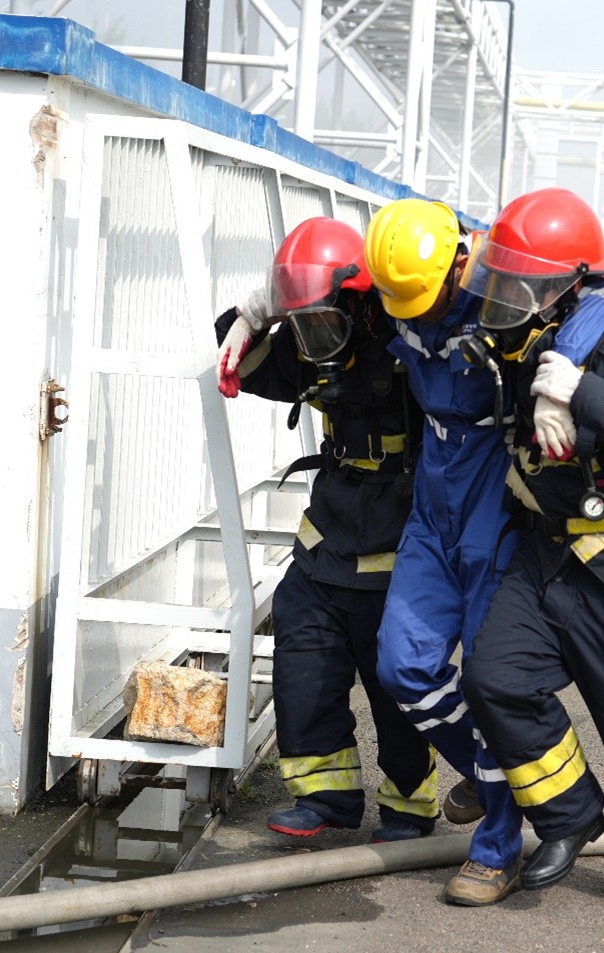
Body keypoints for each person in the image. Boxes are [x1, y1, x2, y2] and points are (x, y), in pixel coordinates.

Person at [363, 197, 604, 906]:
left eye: (426, 297)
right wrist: (257, 311)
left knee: (485, 679)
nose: (414, 313)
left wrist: (560, 375)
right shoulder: (397, 274)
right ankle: (485, 765)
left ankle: (496, 848)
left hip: (494, 494)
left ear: (457, 264)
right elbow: (324, 288)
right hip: (432, 494)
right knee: (402, 664)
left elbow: (596, 288)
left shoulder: (496, 277)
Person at [457, 187, 604, 917]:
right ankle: (569, 813)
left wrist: (583, 392)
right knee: (494, 679)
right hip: (544, 558)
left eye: (516, 286)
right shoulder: (510, 355)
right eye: (498, 282)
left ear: (560, 293)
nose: (500, 299)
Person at [213, 217, 438, 842]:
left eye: (323, 321)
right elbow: (243, 361)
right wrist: (255, 313)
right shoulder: (307, 344)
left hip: (401, 543)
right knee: (303, 668)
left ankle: (408, 806)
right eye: (302, 323)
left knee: (397, 685)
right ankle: (325, 797)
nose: (314, 338)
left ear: (358, 305)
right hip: (328, 538)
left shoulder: (407, 343)